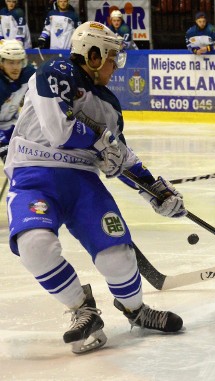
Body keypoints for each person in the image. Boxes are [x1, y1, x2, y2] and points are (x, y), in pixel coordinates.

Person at [4, 21, 185, 354]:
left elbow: (121, 155)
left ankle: (136, 311)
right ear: (93, 54)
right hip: (32, 176)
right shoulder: (54, 71)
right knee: (34, 246)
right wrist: (100, 141)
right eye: (113, 57)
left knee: (118, 255)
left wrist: (155, 191)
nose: (115, 66)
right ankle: (81, 308)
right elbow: (59, 131)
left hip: (82, 180)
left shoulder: (109, 106)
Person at [0, 39, 35, 163]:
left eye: (18, 62)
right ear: (1, 63)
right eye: (10, 62)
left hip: (13, 122)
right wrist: (2, 144)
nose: (15, 67)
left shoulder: (28, 73)